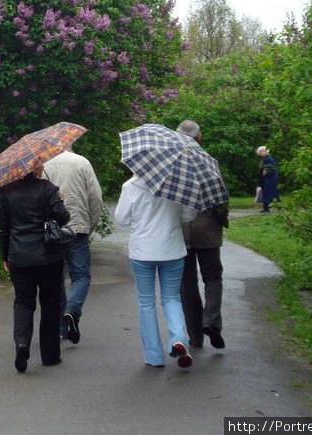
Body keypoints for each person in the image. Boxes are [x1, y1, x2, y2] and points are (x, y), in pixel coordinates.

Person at [115, 174, 198, 368]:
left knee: (146, 302)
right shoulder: (179, 183)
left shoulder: (131, 186)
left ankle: (154, 356)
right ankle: (178, 339)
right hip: (172, 250)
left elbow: (121, 218)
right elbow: (190, 215)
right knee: (172, 298)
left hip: (142, 252)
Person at [0, 161, 71, 373]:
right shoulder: (48, 189)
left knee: (23, 302)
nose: (42, 165)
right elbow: (64, 218)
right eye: (39, 163)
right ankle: (50, 356)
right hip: (49, 257)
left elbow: (4, 230)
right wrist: (60, 202)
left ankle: (22, 344)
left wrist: (6, 256)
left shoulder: (7, 193)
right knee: (50, 303)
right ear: (35, 168)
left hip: (19, 257)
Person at [176, 120, 229, 350]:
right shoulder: (209, 163)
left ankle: (195, 336)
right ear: (199, 137)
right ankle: (212, 321)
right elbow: (221, 198)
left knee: (187, 284)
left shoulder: (173, 164)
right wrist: (221, 219)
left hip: (181, 233)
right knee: (213, 277)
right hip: (207, 229)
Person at [43, 147, 103, 344]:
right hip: (77, 228)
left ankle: (62, 328)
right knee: (81, 275)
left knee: (55, 278)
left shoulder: (44, 165)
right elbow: (95, 197)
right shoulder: (82, 162)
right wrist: (89, 225)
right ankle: (73, 310)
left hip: (52, 231)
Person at [257, 145, 280, 213]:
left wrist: (266, 172)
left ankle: (275, 207)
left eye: (263, 151)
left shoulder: (269, 159)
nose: (262, 153)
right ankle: (266, 208)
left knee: (271, 193)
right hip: (265, 179)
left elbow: (274, 169)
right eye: (261, 152)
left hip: (270, 180)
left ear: (266, 152)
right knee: (266, 193)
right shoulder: (263, 159)